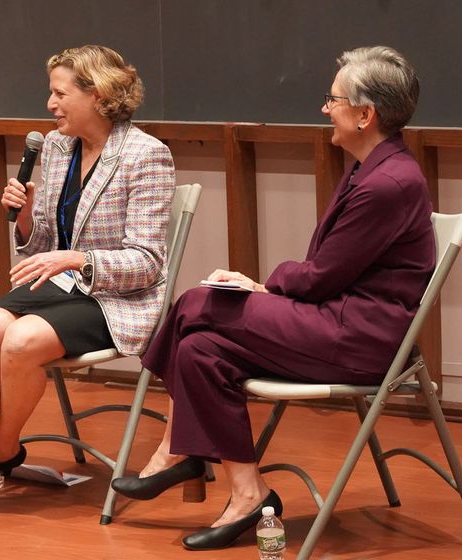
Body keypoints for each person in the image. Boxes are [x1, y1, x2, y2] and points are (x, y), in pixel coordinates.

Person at [111, 46, 432, 551]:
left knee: (198, 301)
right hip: (333, 317)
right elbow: (329, 272)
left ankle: (177, 449)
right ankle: (248, 494)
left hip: (359, 336)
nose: (326, 107)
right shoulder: (371, 165)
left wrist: (266, 284)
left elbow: (323, 275)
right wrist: (274, 287)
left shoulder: (387, 181)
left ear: (366, 115)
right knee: (199, 351)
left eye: (334, 98)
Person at [0, 45, 175, 520]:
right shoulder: (57, 148)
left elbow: (148, 263)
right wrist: (24, 218)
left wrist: (78, 257)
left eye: (59, 93)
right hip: (63, 283)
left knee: (20, 339)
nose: (50, 104)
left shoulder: (146, 155)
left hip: (119, 296)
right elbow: (44, 245)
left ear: (97, 95)